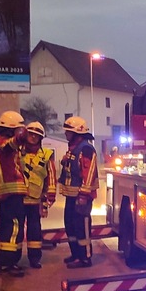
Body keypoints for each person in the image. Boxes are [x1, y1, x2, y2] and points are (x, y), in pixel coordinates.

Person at [0, 110, 27, 277]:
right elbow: (10, 145)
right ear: (11, 129)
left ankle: (3, 262)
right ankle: (8, 263)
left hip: (5, 192)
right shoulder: (3, 142)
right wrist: (21, 137)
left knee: (6, 227)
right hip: (12, 192)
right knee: (14, 228)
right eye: (18, 129)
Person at [58, 116, 98, 271]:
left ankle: (85, 258)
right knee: (71, 226)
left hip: (82, 197)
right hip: (71, 196)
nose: (66, 134)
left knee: (82, 228)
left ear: (77, 133)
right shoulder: (74, 148)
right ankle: (76, 254)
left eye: (68, 131)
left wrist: (83, 195)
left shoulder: (86, 149)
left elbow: (89, 173)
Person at [21, 121, 57, 269]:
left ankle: (34, 259)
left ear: (41, 138)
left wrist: (50, 197)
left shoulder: (46, 155)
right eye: (31, 134)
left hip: (35, 200)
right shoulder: (18, 152)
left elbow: (51, 177)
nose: (33, 137)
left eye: (37, 135)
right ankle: (12, 259)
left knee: (34, 231)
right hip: (18, 198)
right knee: (16, 231)